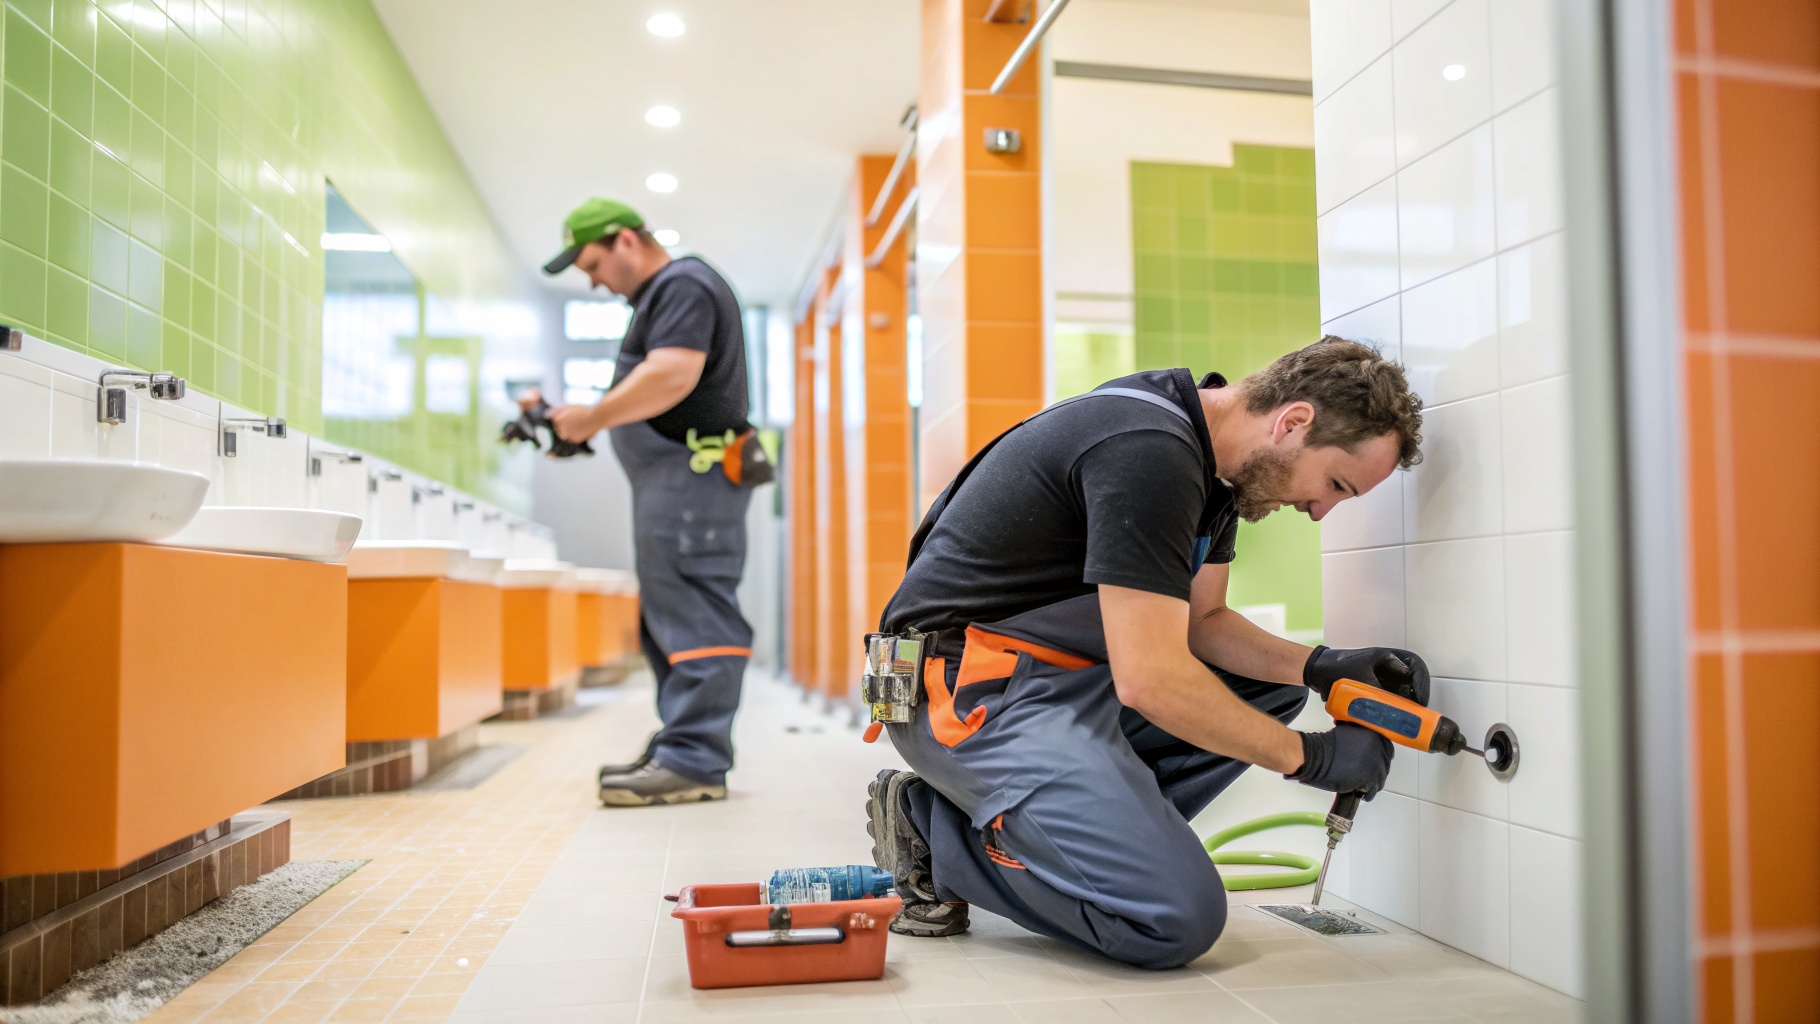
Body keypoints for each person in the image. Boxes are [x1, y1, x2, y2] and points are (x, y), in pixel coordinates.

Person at [865, 337, 1431, 968]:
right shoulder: (1148, 452)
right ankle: (935, 834)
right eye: (1334, 484)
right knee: (1172, 919)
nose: (1320, 511)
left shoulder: (1212, 469)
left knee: (1269, 687)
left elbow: (1202, 623)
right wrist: (1313, 758)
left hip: (1052, 683)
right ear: (1292, 422)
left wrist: (1320, 665)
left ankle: (1076, 834)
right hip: (967, 692)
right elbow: (1151, 681)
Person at [539, 197, 764, 807]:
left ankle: (696, 759)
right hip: (678, 483)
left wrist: (591, 418)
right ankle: (681, 746)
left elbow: (672, 374)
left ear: (625, 241)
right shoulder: (664, 294)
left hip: (693, 479)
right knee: (670, 613)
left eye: (592, 264)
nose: (592, 281)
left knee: (695, 608)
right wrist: (587, 420)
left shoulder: (682, 282)